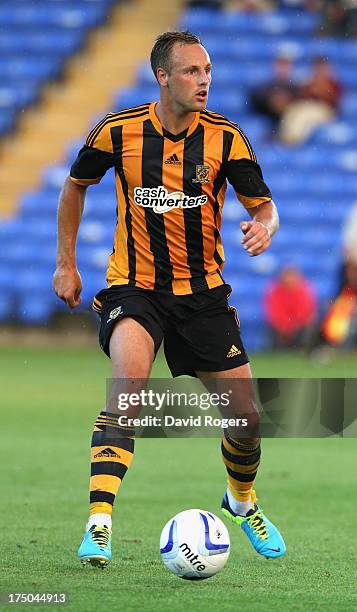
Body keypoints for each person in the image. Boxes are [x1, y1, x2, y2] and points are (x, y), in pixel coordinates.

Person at [53, 30, 285, 568]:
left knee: (247, 420)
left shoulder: (227, 139)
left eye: (207, 71)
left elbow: (265, 205)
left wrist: (265, 225)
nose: (203, 80)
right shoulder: (118, 131)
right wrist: (66, 262)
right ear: (162, 76)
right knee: (127, 390)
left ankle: (241, 501)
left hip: (203, 297)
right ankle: (100, 525)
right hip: (135, 289)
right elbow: (74, 186)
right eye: (191, 71)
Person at [279, 56, 343, 145]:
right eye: (317, 67)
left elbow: (335, 101)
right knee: (293, 110)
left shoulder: (333, 83)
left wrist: (320, 90)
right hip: (307, 106)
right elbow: (299, 96)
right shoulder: (309, 81)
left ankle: (293, 141)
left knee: (305, 114)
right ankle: (284, 139)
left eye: (322, 67)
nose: (320, 70)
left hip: (326, 111)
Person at [264, 266, 317, 349]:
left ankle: (303, 349)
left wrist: (293, 325)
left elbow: (305, 310)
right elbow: (274, 311)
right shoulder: (275, 290)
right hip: (281, 327)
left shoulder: (303, 290)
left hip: (298, 327)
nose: (289, 279)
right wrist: (284, 325)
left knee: (309, 327)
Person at [250, 54, 298, 134]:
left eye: (286, 65)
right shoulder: (265, 88)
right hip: (269, 122)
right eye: (281, 64)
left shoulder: (296, 88)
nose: (283, 69)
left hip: (289, 124)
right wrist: (272, 102)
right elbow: (254, 102)